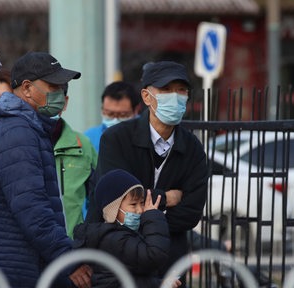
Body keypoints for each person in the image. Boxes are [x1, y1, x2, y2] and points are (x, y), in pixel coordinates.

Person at [0, 51, 91, 288]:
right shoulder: (18, 131)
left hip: (21, 266)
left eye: (63, 86)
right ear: (27, 88)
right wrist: (67, 259)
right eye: (53, 85)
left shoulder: (28, 127)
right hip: (13, 270)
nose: (60, 93)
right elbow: (32, 209)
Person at [87, 61, 208, 286]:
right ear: (146, 96)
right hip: (118, 261)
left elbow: (191, 213)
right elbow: (113, 202)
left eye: (181, 90)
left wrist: (137, 209)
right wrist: (168, 198)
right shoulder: (116, 139)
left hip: (170, 263)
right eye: (165, 90)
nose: (175, 96)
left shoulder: (192, 147)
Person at [73, 169, 178, 288]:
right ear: (113, 209)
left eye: (142, 203)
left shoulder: (123, 234)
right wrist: (154, 216)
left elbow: (132, 280)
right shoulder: (113, 239)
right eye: (133, 204)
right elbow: (154, 255)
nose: (140, 210)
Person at [51, 83, 97, 238]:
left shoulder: (82, 144)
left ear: (65, 102)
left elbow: (99, 200)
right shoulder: (21, 141)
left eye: (55, 96)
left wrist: (85, 238)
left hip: (73, 246)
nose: (48, 101)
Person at [84, 81, 141, 152]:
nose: (115, 120)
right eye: (110, 114)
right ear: (102, 109)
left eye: (122, 115)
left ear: (136, 110)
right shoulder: (89, 138)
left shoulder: (149, 134)